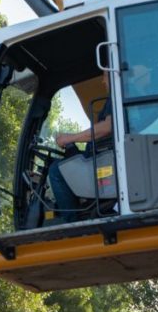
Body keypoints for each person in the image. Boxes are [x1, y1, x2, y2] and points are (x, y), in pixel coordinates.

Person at [47, 72, 113, 223]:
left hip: (105, 160)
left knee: (57, 170)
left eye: (104, 76)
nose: (103, 81)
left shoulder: (115, 98)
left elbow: (106, 128)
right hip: (101, 156)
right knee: (69, 161)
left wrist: (70, 138)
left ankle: (71, 223)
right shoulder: (115, 99)